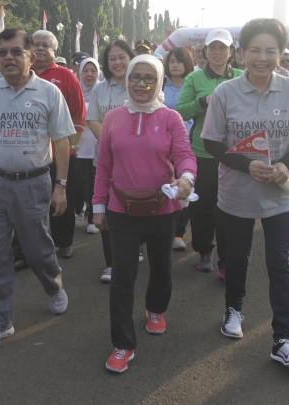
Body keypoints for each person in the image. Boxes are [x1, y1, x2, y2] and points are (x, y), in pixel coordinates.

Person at [202, 18, 289, 367]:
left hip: (281, 193)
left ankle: (283, 339)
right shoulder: (225, 92)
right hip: (236, 192)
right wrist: (245, 165)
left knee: (280, 263)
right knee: (237, 258)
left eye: (270, 51)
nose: (262, 58)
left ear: (281, 54)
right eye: (255, 50)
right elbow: (211, 141)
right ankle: (233, 310)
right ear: (243, 53)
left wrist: (286, 165)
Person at [92, 55, 197, 373]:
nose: (141, 83)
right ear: (127, 81)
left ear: (160, 81)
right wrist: (98, 205)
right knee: (122, 277)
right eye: (135, 77)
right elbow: (104, 165)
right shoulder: (113, 118)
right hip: (120, 209)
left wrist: (186, 178)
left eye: (149, 77)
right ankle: (123, 344)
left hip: (163, 208)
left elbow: (184, 154)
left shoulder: (171, 118)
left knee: (162, 267)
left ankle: (156, 308)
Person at [0, 28, 74, 348]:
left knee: (37, 249)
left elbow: (62, 142)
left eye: (16, 51)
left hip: (33, 184)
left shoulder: (48, 93)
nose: (8, 58)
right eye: (2, 52)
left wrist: (61, 186)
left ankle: (54, 286)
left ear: (31, 56)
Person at [177, 29, 242, 276]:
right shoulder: (194, 79)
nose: (217, 52)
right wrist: (204, 101)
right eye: (213, 48)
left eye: (223, 48)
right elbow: (181, 111)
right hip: (202, 154)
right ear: (205, 52)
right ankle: (205, 250)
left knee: (229, 209)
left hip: (234, 154)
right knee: (203, 209)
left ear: (231, 52)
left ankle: (226, 260)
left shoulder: (240, 77)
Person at [31, 29, 87, 259]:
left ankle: (64, 242)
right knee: (33, 202)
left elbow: (78, 115)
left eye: (46, 45)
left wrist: (71, 147)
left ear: (55, 51)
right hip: (31, 154)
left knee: (62, 199)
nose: (40, 48)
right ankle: (31, 243)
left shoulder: (65, 76)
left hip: (60, 154)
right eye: (36, 44)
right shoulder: (23, 73)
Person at [86, 39, 134, 282]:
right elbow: (92, 119)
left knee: (135, 207)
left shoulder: (142, 83)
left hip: (137, 163)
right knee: (107, 210)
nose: (117, 62)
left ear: (131, 57)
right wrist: (110, 142)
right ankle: (112, 263)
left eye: (122, 56)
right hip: (106, 161)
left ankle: (134, 250)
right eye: (112, 58)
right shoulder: (100, 89)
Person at [163, 47, 195, 251]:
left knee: (185, 186)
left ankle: (178, 233)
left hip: (188, 141)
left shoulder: (192, 84)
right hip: (162, 142)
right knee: (165, 183)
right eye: (171, 61)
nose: (174, 65)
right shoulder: (160, 85)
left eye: (179, 61)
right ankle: (164, 227)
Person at [75, 57, 102, 234]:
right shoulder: (75, 90)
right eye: (86, 70)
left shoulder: (101, 91)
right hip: (77, 147)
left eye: (93, 70)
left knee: (94, 184)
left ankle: (93, 218)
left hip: (96, 147)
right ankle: (78, 210)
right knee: (77, 183)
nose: (89, 74)